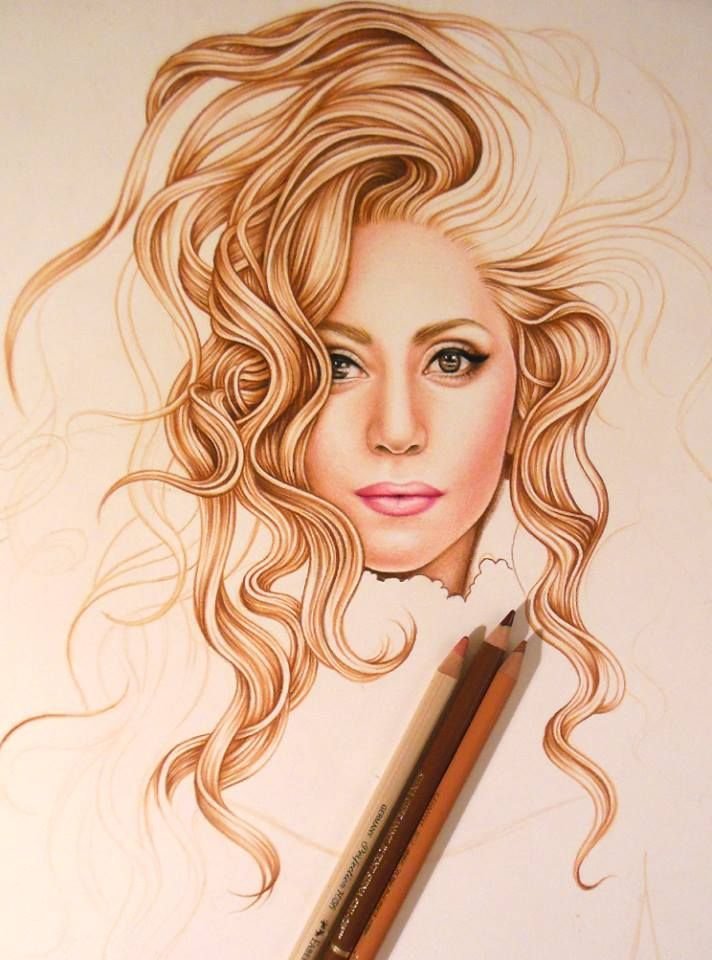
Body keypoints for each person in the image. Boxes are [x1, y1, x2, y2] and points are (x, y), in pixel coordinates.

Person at [2, 3, 706, 957]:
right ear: (267, 380)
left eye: (452, 360)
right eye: (338, 363)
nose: (397, 430)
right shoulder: (136, 723)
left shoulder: (636, 781)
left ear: (533, 373)